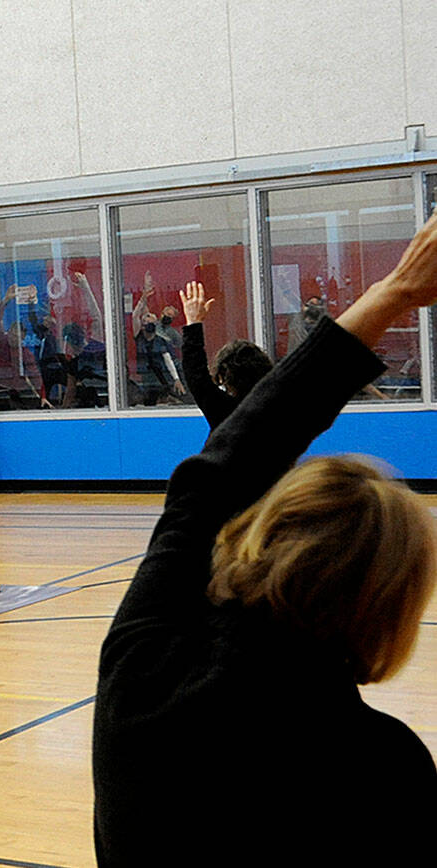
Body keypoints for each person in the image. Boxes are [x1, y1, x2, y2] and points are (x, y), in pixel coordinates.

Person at [93, 211, 437, 865]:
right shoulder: (382, 767)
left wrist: (397, 290)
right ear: (387, 610)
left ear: (261, 534)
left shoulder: (142, 675)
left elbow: (220, 468)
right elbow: (227, 464)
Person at [178, 281, 273, 429]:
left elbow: (196, 374)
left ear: (223, 376)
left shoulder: (224, 410)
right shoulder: (278, 409)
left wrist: (193, 323)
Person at [130, 274, 185, 405]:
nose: (147, 318)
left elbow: (168, 359)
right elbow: (136, 315)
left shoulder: (163, 339)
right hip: (146, 376)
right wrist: (144, 295)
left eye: (150, 316)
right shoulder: (139, 335)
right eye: (145, 317)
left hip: (161, 376)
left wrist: (176, 379)